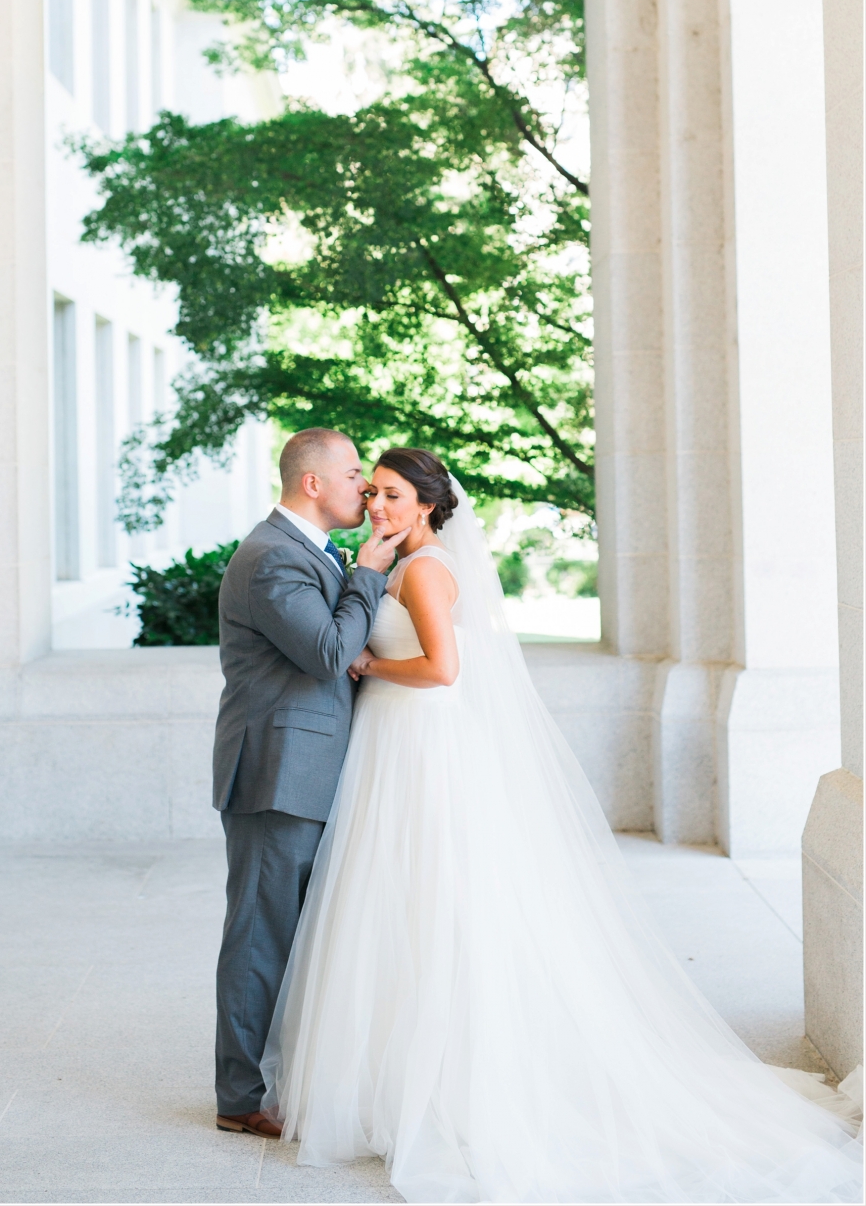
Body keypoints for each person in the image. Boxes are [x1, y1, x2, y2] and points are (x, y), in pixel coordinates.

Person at [261, 447, 863, 1203]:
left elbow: (443, 668)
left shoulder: (424, 571)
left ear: (427, 504)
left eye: (390, 494)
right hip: (400, 743)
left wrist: (369, 668)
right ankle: (393, 1073)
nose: (376, 504)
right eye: (373, 492)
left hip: (422, 744)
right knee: (396, 906)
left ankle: (442, 1083)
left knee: (429, 901)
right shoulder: (401, 561)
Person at [212, 428, 408, 1138]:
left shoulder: (305, 552)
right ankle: (238, 1095)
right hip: (278, 775)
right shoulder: (270, 559)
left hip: (313, 770)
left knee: (300, 936)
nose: (364, 486)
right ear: (313, 483)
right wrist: (368, 573)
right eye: (355, 472)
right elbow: (328, 651)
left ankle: (284, 1076)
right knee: (261, 934)